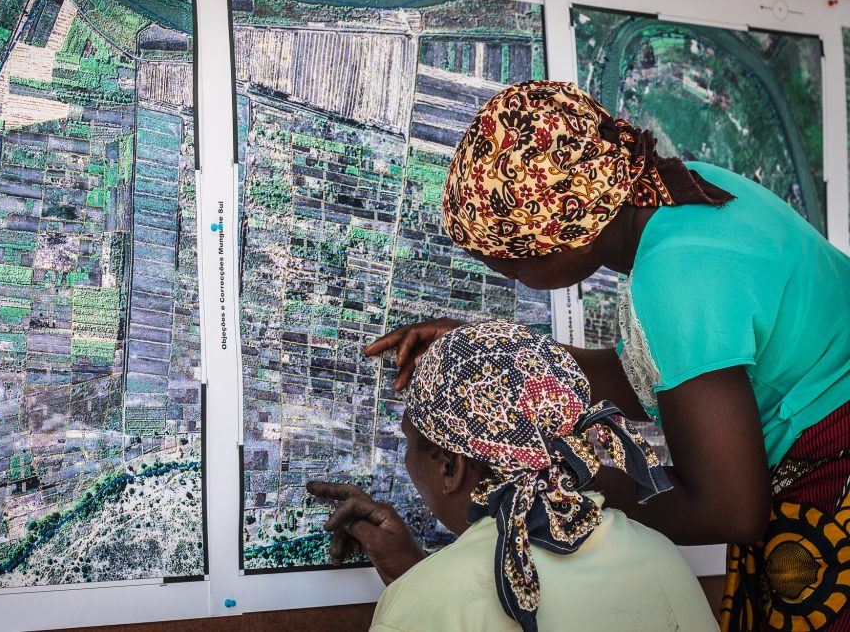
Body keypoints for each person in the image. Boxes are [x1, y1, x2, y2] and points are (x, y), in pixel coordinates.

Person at [358, 81, 850, 631]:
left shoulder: (675, 277)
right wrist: (493, 360)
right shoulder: (682, 192)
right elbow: (666, 374)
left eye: (512, 268)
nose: (517, 281)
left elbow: (730, 509)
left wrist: (572, 486)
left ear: (566, 238)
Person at [309, 320, 718, 631]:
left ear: (451, 466)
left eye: (411, 442)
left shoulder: (424, 604)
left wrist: (419, 591)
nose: (406, 458)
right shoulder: (660, 555)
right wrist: (419, 576)